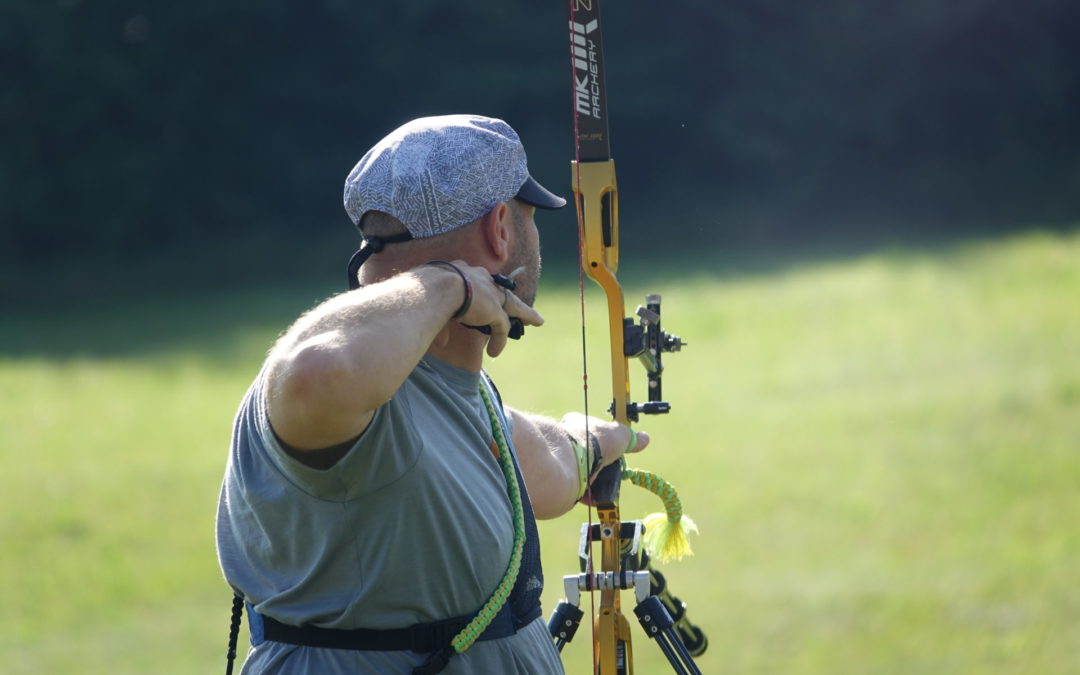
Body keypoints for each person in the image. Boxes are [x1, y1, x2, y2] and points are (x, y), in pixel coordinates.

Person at [216, 114, 649, 674]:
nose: (534, 237)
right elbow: (313, 373)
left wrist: (593, 442)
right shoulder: (347, 389)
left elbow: (535, 466)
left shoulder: (453, 392)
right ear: (500, 230)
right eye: (529, 220)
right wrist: (450, 284)